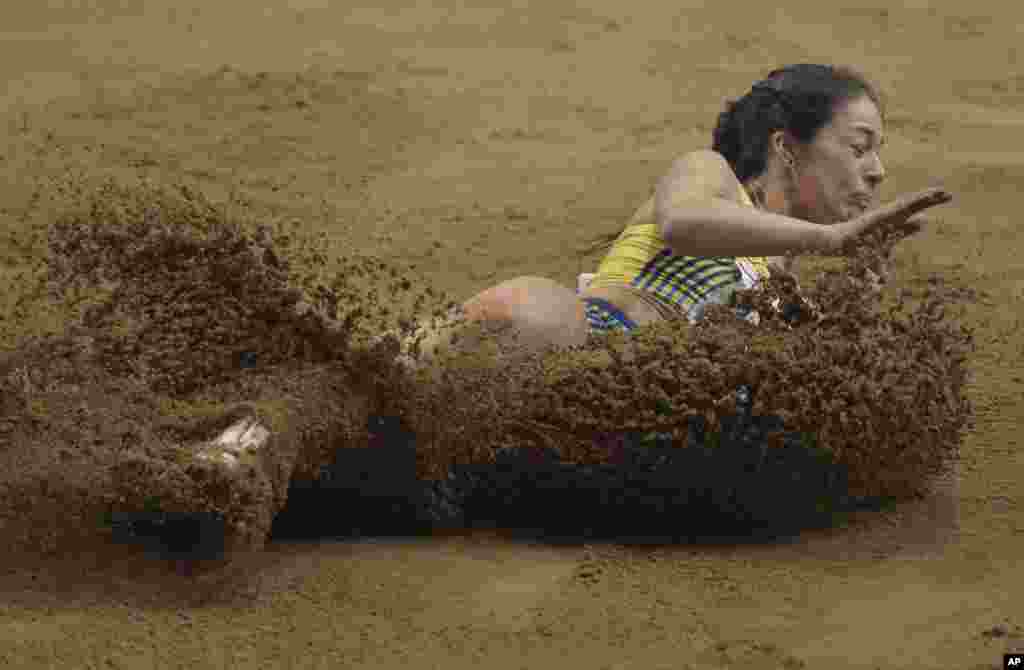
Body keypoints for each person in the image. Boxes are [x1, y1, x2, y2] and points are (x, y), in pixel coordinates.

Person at [400, 64, 952, 365]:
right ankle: (369, 379)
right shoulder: (710, 175)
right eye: (860, 147)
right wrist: (830, 240)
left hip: (613, 416)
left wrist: (864, 284)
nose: (878, 171)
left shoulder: (780, 281)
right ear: (786, 147)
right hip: (580, 349)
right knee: (548, 312)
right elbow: (680, 223)